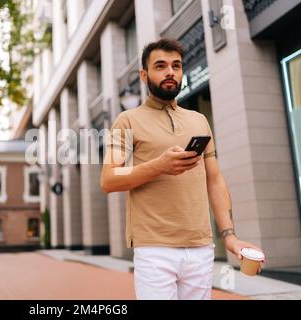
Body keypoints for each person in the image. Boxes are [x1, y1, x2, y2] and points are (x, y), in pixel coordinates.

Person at [101, 39, 265, 300]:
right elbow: (109, 179)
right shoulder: (127, 121)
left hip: (200, 247)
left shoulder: (198, 120)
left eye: (176, 66)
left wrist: (230, 236)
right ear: (144, 75)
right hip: (154, 248)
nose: (170, 72)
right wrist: (159, 166)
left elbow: (214, 180)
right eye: (160, 66)